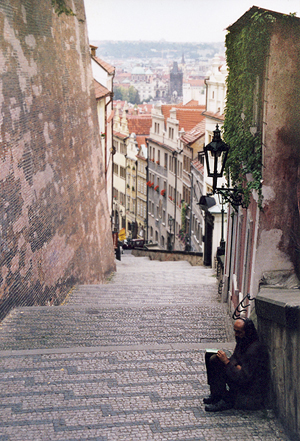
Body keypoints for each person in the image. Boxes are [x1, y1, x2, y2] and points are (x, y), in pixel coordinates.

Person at [204, 318, 269, 412]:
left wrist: (227, 362)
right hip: (238, 375)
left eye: (239, 332)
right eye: (235, 331)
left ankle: (226, 400)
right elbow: (235, 359)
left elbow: (244, 377)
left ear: (248, 332)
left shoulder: (254, 349)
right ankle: (216, 395)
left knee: (220, 361)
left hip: (249, 391)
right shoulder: (242, 341)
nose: (236, 335)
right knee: (213, 358)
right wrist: (235, 366)